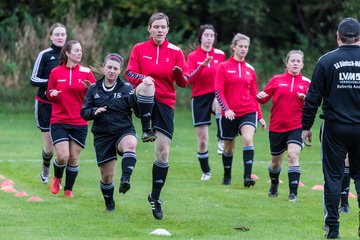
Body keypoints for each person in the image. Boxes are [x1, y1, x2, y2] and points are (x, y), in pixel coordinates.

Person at [125, 12, 189, 220]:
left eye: (163, 27)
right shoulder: (139, 49)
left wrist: (178, 73)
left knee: (162, 153)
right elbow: (129, 74)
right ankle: (145, 129)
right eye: (156, 27)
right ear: (149, 29)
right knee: (148, 84)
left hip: (165, 103)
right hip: (141, 96)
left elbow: (184, 82)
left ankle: (155, 197)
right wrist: (146, 79)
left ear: (168, 29)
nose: (160, 30)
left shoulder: (176, 51)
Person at [302, 17, 360, 239]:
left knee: (333, 178)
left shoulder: (326, 61)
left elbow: (312, 97)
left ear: (337, 36)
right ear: (359, 38)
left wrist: (306, 126)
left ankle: (333, 229)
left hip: (334, 127)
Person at [81, 53, 142, 211]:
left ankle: (125, 179)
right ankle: (109, 204)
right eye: (109, 67)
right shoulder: (94, 88)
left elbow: (138, 111)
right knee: (106, 176)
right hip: (102, 134)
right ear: (104, 67)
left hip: (123, 129)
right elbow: (84, 112)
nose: (112, 71)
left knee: (130, 145)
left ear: (120, 70)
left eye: (115, 68)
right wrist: (94, 111)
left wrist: (141, 106)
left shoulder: (127, 88)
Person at [257, 50, 310, 202]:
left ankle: (293, 194)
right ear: (287, 63)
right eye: (292, 61)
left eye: (298, 61)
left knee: (293, 155)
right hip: (277, 126)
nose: (295, 63)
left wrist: (306, 99)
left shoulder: (307, 83)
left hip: (296, 126)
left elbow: (313, 105)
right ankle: (274, 184)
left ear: (302, 64)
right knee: (275, 162)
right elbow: (264, 98)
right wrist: (260, 96)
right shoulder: (276, 80)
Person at [215, 33, 266, 187]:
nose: (243, 49)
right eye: (241, 46)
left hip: (248, 110)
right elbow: (218, 91)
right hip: (229, 113)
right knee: (228, 147)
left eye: (246, 47)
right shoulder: (223, 67)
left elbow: (254, 94)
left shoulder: (250, 69)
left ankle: (247, 177)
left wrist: (260, 116)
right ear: (233, 47)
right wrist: (227, 109)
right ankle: (227, 175)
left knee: (248, 139)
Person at [46, 40, 96, 197]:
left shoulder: (87, 72)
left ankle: (68, 189)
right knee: (62, 156)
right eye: (76, 50)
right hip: (59, 120)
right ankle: (57, 178)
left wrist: (91, 89)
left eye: (81, 50)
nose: (80, 53)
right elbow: (48, 93)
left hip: (79, 122)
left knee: (73, 158)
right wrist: (52, 94)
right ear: (67, 53)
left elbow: (97, 95)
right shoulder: (55, 72)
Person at [186, 24, 226, 181]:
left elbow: (224, 76)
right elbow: (189, 79)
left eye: (212, 35)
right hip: (199, 97)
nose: (209, 38)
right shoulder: (193, 56)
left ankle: (221, 138)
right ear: (201, 37)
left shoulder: (221, 55)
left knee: (218, 101)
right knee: (202, 141)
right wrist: (202, 66)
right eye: (206, 35)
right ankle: (206, 171)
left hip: (215, 94)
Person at [30, 23, 67, 184]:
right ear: (51, 37)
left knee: (63, 148)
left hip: (63, 107)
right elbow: (33, 79)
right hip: (45, 105)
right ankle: (46, 165)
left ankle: (58, 177)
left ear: (66, 37)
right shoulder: (45, 54)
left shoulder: (70, 55)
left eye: (62, 34)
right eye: (57, 34)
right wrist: (52, 82)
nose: (60, 37)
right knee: (50, 148)